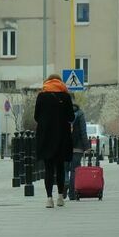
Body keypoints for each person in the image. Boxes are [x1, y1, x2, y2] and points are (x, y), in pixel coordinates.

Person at [33, 74, 74, 208]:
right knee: (60, 167)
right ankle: (60, 197)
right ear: (60, 82)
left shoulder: (41, 96)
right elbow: (71, 117)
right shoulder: (66, 96)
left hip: (46, 137)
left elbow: (36, 117)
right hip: (62, 136)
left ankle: (49, 198)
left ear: (48, 82)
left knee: (48, 168)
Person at [69, 102, 89, 195]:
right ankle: (72, 193)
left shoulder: (63, 112)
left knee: (65, 169)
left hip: (65, 146)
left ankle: (65, 183)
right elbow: (83, 131)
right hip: (78, 147)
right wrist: (86, 147)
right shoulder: (80, 114)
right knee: (75, 169)